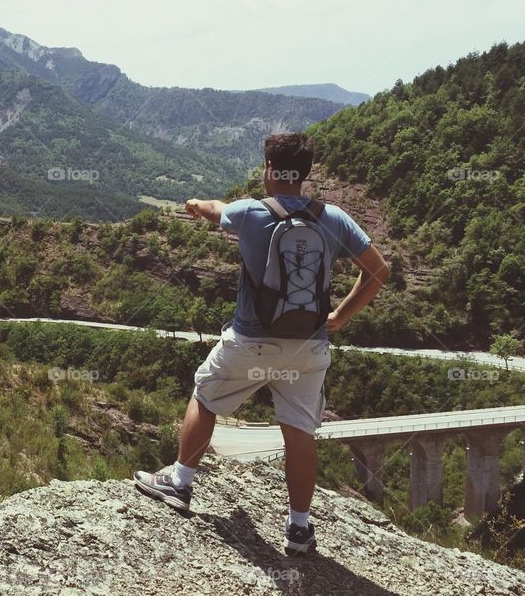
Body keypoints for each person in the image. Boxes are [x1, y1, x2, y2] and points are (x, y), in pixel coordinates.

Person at [133, 132, 388, 557]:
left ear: (271, 170)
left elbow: (216, 210)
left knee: (206, 394)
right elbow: (378, 271)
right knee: (300, 431)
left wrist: (196, 206)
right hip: (309, 348)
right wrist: (340, 317)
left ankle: (179, 482)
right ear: (303, 174)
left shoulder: (252, 213)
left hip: (251, 341)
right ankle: (300, 528)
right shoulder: (334, 218)